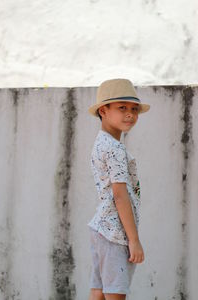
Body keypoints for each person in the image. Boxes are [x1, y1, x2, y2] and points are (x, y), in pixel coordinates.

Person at [87, 78, 150, 300]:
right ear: (103, 110)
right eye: (121, 107)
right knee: (115, 292)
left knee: (99, 290)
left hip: (101, 228)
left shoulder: (102, 142)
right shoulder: (113, 148)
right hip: (114, 233)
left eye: (134, 109)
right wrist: (133, 240)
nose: (130, 114)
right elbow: (120, 194)